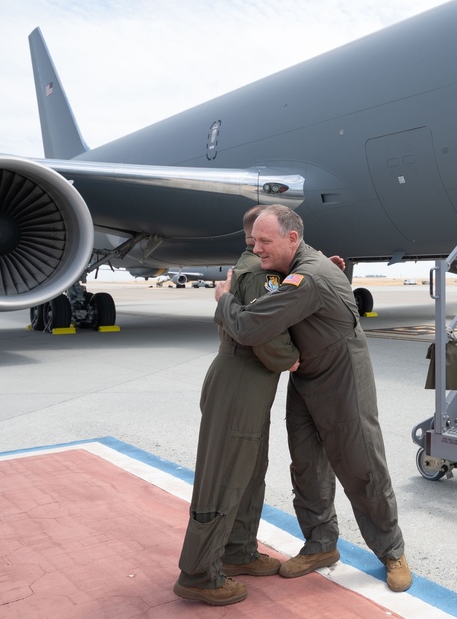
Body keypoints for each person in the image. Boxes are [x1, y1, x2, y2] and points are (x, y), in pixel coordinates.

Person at [213, 204, 412, 593]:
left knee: (361, 464)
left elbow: (252, 327)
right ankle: (321, 544)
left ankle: (392, 550)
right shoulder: (301, 263)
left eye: (264, 242)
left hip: (342, 377)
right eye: (253, 241)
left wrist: (224, 300)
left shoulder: (310, 277)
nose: (257, 249)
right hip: (306, 375)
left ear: (291, 238)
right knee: (306, 465)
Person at [174, 205, 303, 606]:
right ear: (254, 237)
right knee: (225, 475)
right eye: (262, 239)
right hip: (241, 381)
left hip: (249, 383)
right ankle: (198, 573)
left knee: (248, 470)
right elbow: (263, 335)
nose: (265, 246)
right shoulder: (257, 275)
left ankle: (237, 551)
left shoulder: (250, 271)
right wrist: (292, 357)